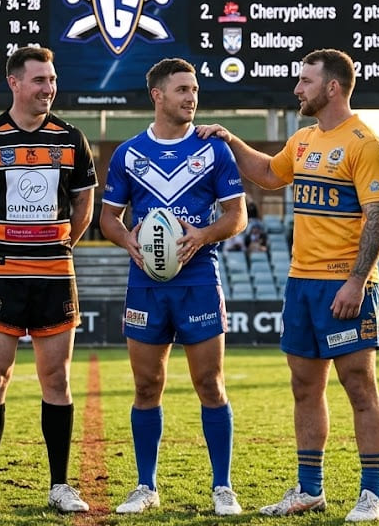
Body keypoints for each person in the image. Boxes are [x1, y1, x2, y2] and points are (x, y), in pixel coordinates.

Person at [199, 49, 379, 522]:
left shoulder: (366, 143)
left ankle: (372, 493)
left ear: (331, 87)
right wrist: (229, 140)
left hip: (345, 286)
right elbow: (268, 174)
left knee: (359, 386)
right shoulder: (304, 138)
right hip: (300, 283)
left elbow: (378, 216)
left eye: (305, 81)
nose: (297, 89)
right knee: (305, 388)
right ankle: (310, 489)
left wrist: (356, 281)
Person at [0, 46, 96, 514]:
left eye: (52, 80)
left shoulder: (72, 138)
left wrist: (60, 246)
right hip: (0, 278)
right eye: (39, 80)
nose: (48, 88)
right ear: (14, 82)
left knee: (57, 378)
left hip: (55, 276)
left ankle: (59, 484)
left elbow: (83, 203)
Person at [100, 58, 248, 517]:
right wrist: (130, 241)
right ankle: (146, 486)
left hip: (199, 279)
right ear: (157, 95)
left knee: (209, 383)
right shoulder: (128, 153)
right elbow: (108, 218)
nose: (192, 97)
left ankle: (222, 487)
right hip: (145, 284)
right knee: (147, 386)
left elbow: (237, 216)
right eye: (182, 89)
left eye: (195, 89)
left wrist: (201, 236)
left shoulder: (213, 150)